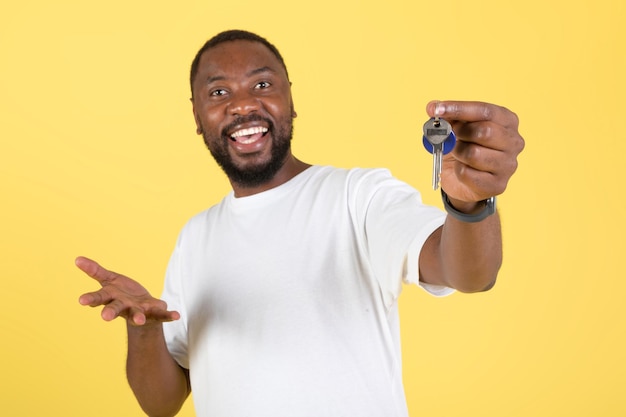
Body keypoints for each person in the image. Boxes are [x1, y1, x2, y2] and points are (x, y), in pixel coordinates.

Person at [76, 29, 524, 417]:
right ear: (197, 117)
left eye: (262, 84)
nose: (243, 105)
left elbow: (470, 273)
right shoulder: (195, 237)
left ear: (291, 101)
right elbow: (161, 403)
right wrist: (145, 330)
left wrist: (469, 204)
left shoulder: (358, 196)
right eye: (218, 92)